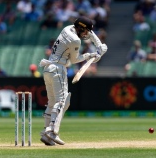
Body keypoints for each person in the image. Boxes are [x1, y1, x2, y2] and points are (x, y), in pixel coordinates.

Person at [39, 16, 108, 146]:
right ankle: (51, 131)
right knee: (62, 100)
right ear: (80, 28)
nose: (87, 34)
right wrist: (92, 55)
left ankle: (46, 135)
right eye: (85, 31)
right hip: (58, 69)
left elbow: (91, 33)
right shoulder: (75, 40)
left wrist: (99, 45)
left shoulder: (68, 28)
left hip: (48, 69)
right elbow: (74, 60)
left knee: (52, 102)